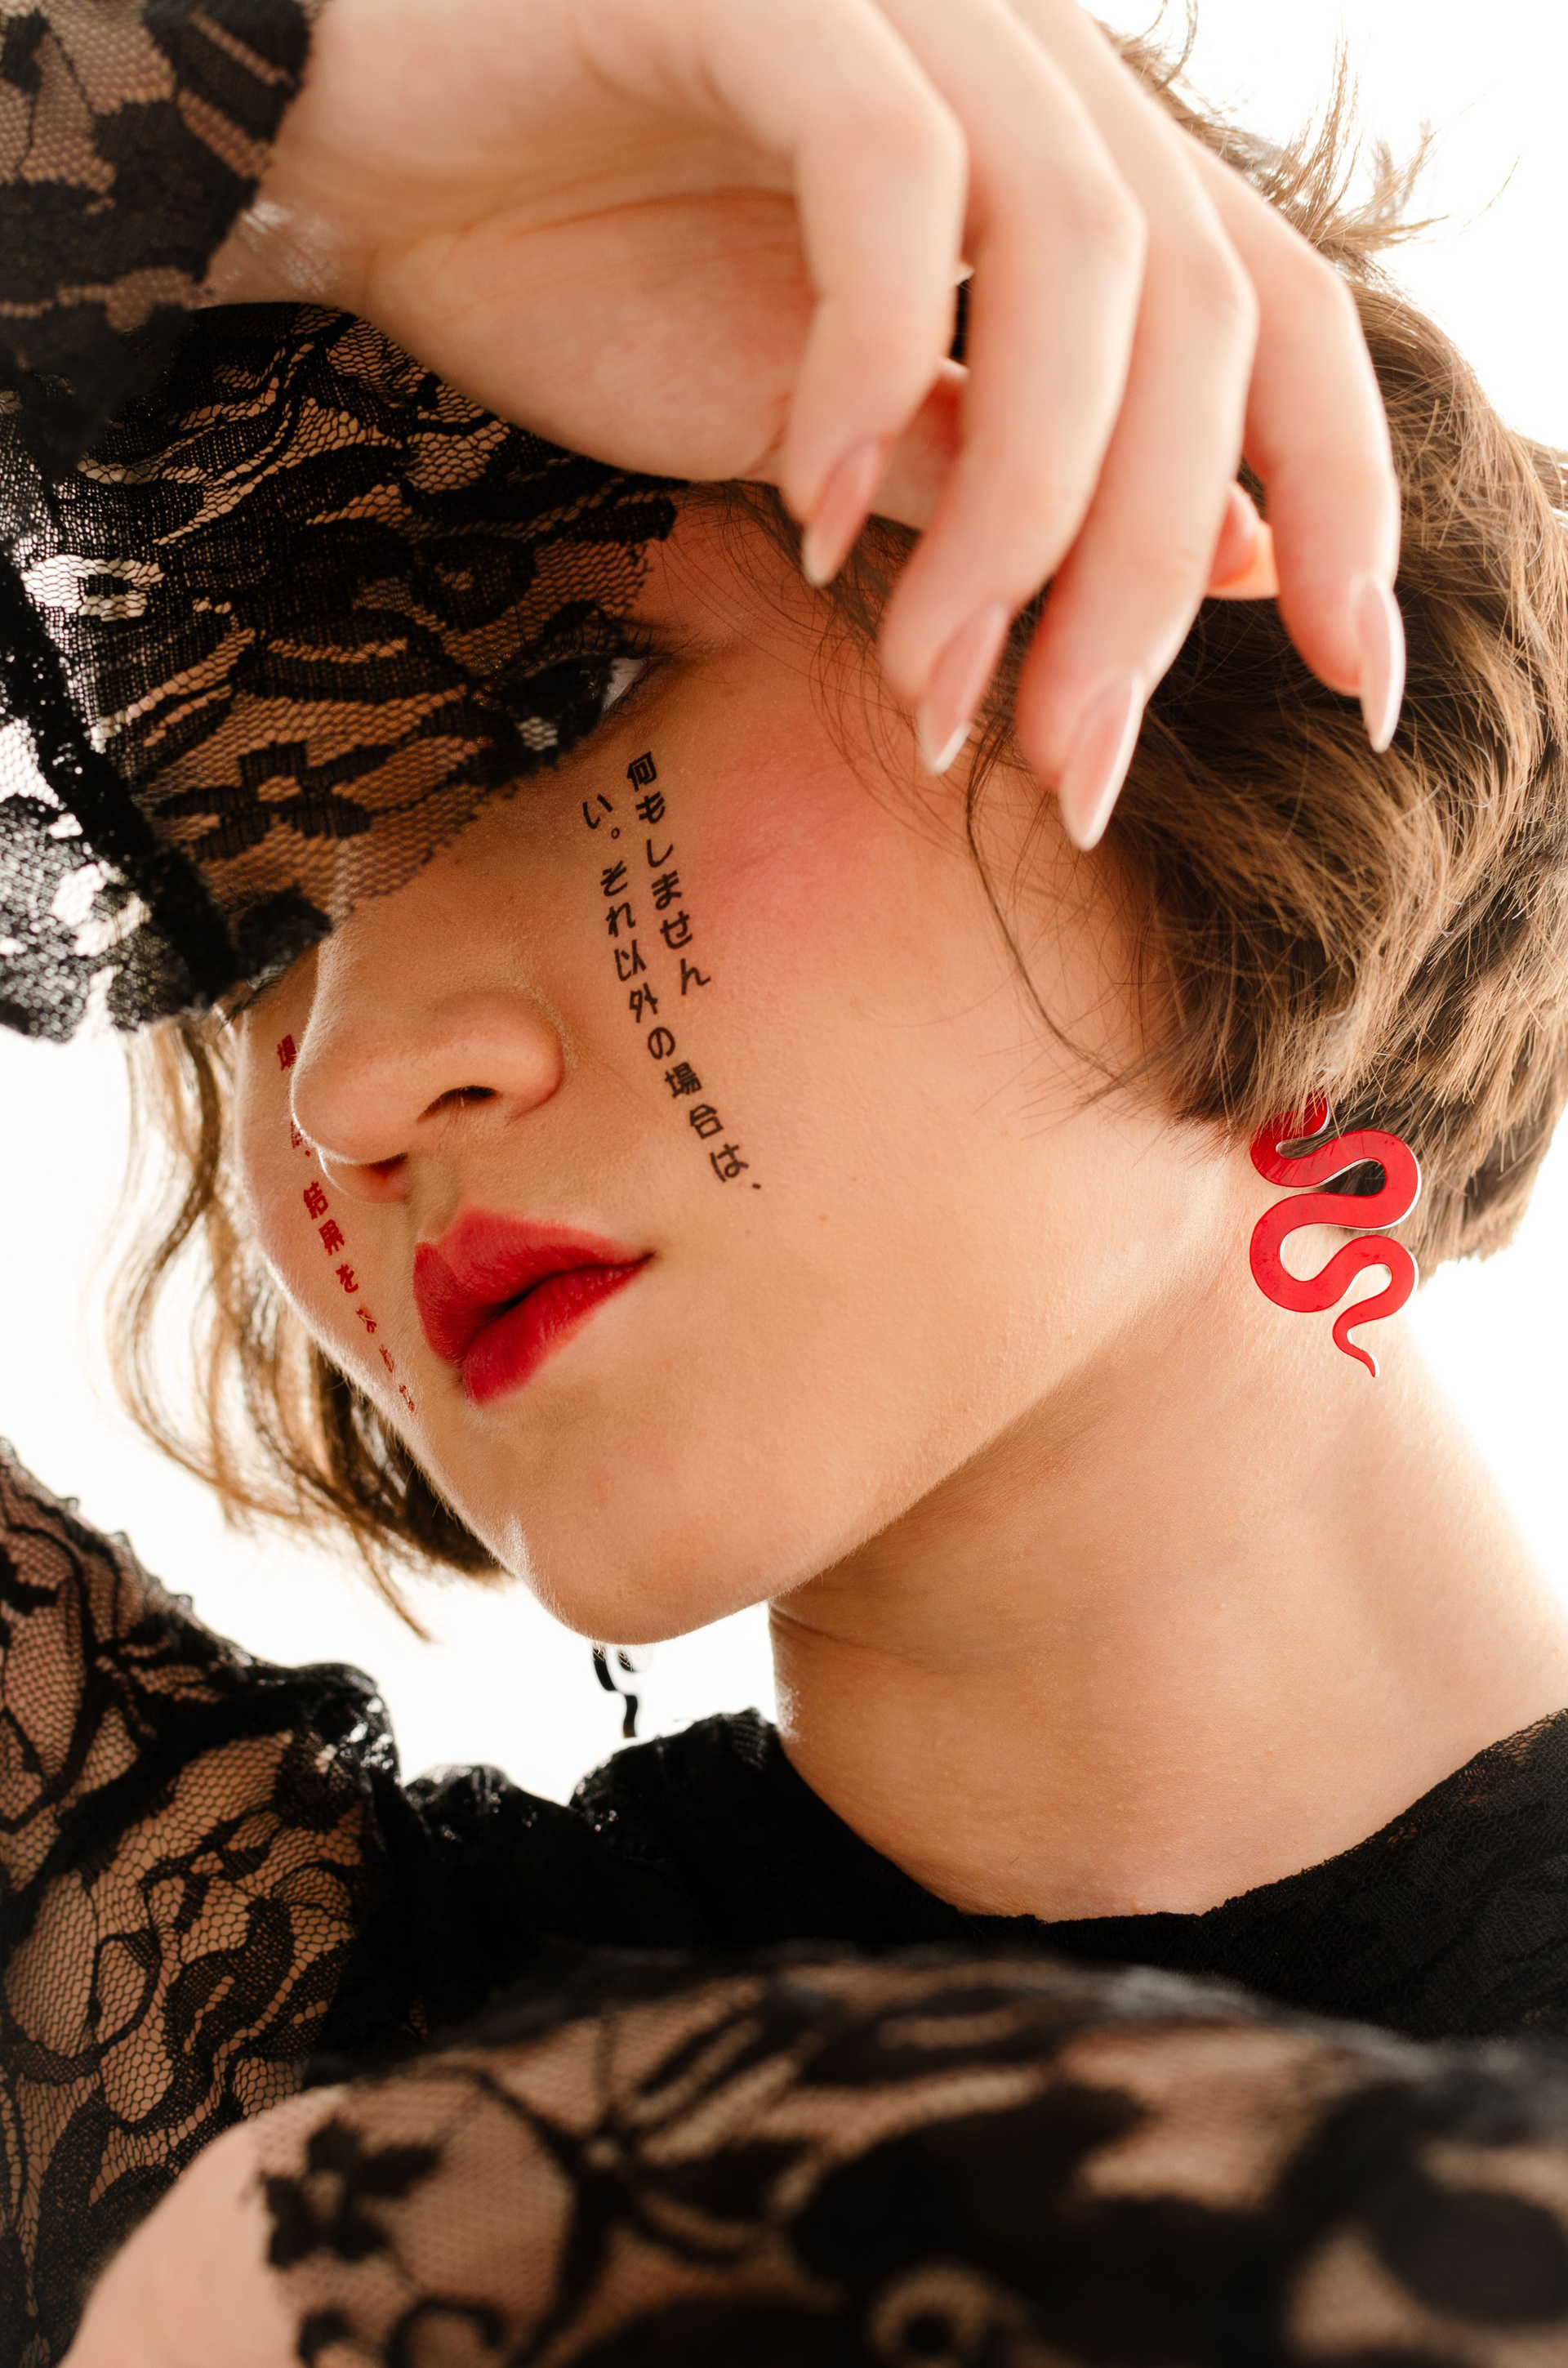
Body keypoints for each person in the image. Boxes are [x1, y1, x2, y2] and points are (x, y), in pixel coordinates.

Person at [4, 6, 1568, 2366]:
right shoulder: (213, 2055)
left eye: (559, 714)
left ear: (1177, 625)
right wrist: (330, 118)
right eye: (245, 940)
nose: (341, 1085)